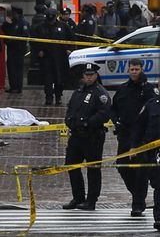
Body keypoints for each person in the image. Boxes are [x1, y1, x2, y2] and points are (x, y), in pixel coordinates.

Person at [111, 58, 157, 217]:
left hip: (141, 137)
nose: (134, 72)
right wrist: (116, 121)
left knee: (140, 170)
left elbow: (152, 109)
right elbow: (113, 108)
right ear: (128, 70)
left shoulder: (148, 89)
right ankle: (137, 195)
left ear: (142, 69)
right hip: (124, 134)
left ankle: (138, 203)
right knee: (122, 166)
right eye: (132, 69)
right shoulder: (122, 89)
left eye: (137, 69)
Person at [63, 63, 111, 211]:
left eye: (91, 75)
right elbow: (71, 109)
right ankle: (78, 197)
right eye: (86, 75)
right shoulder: (78, 91)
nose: (89, 77)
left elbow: (104, 114)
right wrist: (69, 121)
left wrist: (87, 123)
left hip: (92, 137)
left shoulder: (100, 93)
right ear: (83, 76)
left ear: (96, 75)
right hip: (76, 136)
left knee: (93, 169)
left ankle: (91, 200)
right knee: (72, 165)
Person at [131, 80, 160, 231]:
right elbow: (139, 126)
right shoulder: (151, 105)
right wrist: (134, 146)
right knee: (159, 185)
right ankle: (159, 218)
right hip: (154, 152)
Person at [33, 8, 74, 105]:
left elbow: (71, 38)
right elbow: (34, 41)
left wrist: (69, 49)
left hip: (60, 57)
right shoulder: (40, 27)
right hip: (46, 57)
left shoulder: (63, 26)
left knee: (59, 78)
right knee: (47, 79)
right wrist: (39, 51)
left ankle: (58, 96)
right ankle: (49, 97)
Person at [2, 5, 30, 93]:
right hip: (11, 49)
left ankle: (18, 87)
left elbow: (24, 36)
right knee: (11, 68)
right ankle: (13, 85)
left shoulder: (23, 22)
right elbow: (6, 30)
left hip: (18, 49)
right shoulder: (13, 22)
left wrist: (12, 40)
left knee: (18, 69)